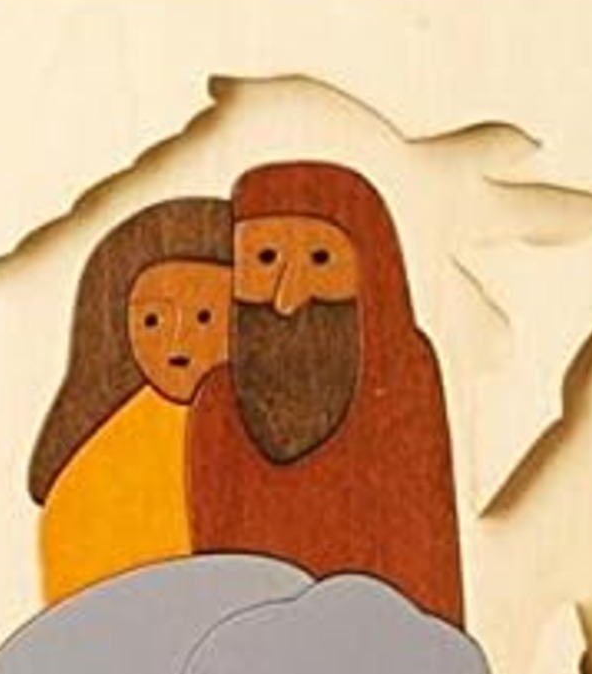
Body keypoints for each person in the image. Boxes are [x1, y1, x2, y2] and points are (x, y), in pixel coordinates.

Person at [187, 161, 464, 625]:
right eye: (265, 259)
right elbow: (216, 573)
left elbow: (426, 557)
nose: (287, 297)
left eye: (320, 260)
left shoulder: (405, 375)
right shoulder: (217, 403)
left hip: (385, 640)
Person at [31, 198, 232, 602]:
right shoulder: (96, 467)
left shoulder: (255, 428)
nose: (179, 343)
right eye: (153, 320)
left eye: (205, 317)